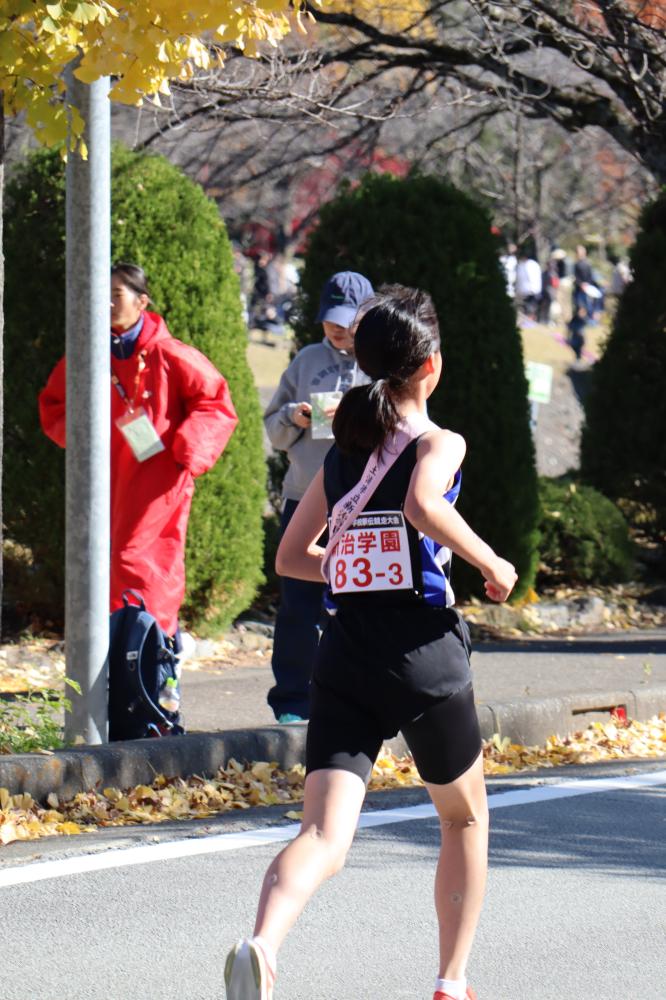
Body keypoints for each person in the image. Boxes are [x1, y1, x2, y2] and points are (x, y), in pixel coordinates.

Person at [226, 285, 517, 1000]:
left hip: (345, 652)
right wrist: (491, 562)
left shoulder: (343, 454)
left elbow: (293, 558)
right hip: (424, 656)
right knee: (465, 817)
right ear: (432, 366)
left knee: (324, 837)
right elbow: (422, 503)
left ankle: (261, 944)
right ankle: (451, 981)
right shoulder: (439, 442)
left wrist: (355, 560)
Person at [39, 262, 238, 655]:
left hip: (158, 484)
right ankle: (116, 666)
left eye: (117, 295)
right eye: (103, 297)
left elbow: (216, 403)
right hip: (103, 479)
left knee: (148, 568)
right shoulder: (87, 352)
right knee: (103, 564)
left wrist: (187, 451)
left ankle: (158, 660)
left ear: (142, 301)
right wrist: (80, 443)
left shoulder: (170, 353)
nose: (108, 305)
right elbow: (54, 405)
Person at [263, 270, 374, 723]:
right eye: (332, 319)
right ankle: (292, 699)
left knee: (358, 601)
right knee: (299, 606)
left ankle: (355, 695)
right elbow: (273, 429)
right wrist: (294, 416)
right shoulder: (306, 360)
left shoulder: (378, 364)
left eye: (348, 320)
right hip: (304, 496)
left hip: (363, 500)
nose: (339, 328)